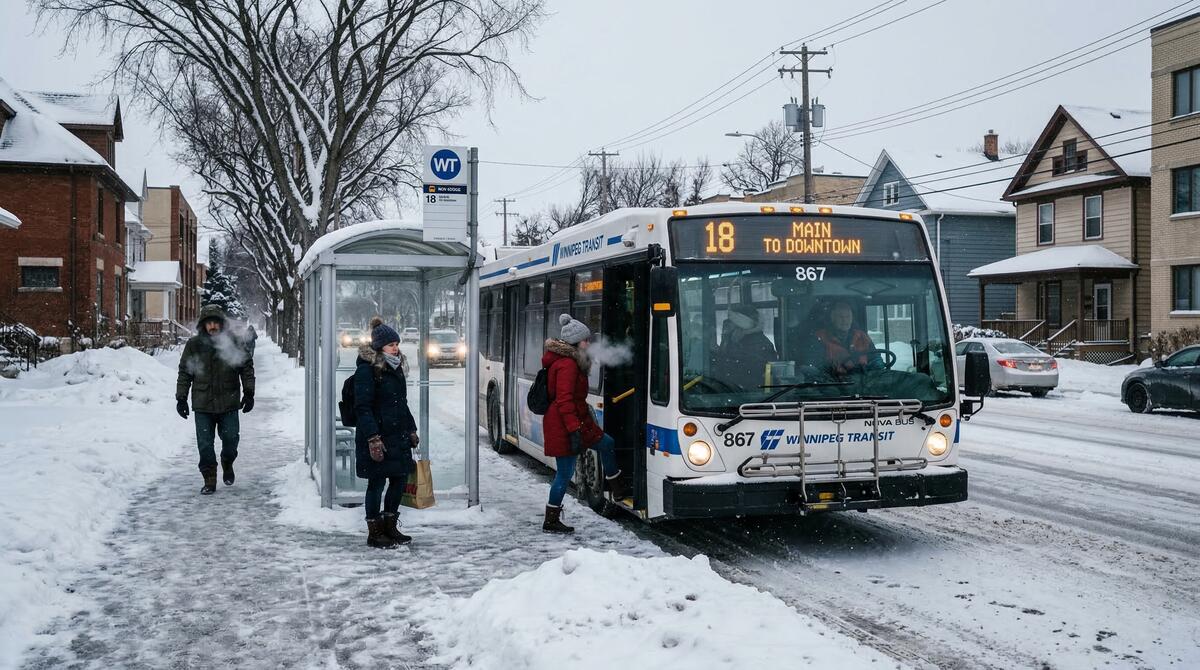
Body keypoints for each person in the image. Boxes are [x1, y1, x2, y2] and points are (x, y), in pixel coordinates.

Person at [541, 313, 628, 533]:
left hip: (577, 422)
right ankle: (551, 520)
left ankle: (617, 490)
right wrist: (574, 430)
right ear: (576, 342)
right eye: (586, 340)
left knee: (606, 443)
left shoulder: (571, 361)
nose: (589, 343)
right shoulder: (567, 365)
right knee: (564, 473)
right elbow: (565, 401)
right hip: (566, 425)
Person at [176, 304, 255, 495]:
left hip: (228, 402)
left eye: (215, 323)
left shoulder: (234, 342)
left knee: (230, 440)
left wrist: (249, 393)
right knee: (205, 445)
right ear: (203, 325)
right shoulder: (194, 345)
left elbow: (246, 367)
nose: (212, 327)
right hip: (203, 404)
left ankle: (227, 462)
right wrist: (181, 398)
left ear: (221, 324)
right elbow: (185, 372)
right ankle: (209, 479)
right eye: (208, 323)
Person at [354, 316, 419, 548]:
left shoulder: (396, 367)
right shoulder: (367, 370)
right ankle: (375, 532)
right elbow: (362, 407)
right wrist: (372, 437)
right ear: (379, 346)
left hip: (398, 435)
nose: (396, 347)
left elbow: (401, 403)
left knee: (399, 480)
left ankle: (390, 526)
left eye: (397, 344)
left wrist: (411, 428)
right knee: (377, 483)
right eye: (391, 344)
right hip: (378, 437)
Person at [712, 303, 778, 391]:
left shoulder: (758, 343)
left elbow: (745, 372)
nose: (726, 328)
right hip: (733, 392)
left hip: (749, 395)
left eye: (731, 324)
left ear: (742, 325)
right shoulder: (733, 341)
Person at [810, 300, 878, 376]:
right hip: (835, 384)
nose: (845, 320)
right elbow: (818, 368)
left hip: (863, 383)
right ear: (832, 318)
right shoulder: (820, 337)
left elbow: (876, 360)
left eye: (848, 316)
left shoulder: (862, 336)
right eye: (841, 317)